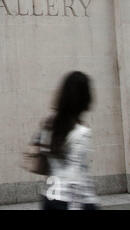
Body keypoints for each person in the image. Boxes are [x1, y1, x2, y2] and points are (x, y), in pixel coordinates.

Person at [40, 71, 98, 210]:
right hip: (73, 201)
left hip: (50, 198)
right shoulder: (81, 132)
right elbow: (75, 175)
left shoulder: (49, 125)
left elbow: (46, 159)